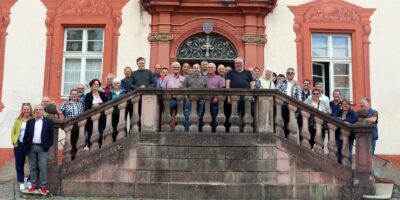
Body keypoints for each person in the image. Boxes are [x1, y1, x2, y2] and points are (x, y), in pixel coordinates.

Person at [23, 104, 54, 196]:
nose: (38, 111)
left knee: (42, 166)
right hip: (31, 147)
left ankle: (42, 186)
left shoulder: (48, 121)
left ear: (43, 111)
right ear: (34, 112)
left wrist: (47, 145)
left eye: (40, 109)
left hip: (42, 148)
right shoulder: (30, 122)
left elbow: (51, 136)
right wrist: (26, 145)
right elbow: (26, 135)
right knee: (33, 167)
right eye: (36, 110)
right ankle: (34, 185)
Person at [11, 103, 34, 191]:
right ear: (22, 110)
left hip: (30, 144)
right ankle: (21, 181)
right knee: (19, 164)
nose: (26, 110)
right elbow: (13, 132)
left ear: (30, 110)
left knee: (33, 163)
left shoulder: (34, 119)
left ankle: (29, 181)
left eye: (28, 109)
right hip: (19, 144)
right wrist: (14, 142)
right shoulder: (18, 120)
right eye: (24, 109)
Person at [59, 89, 84, 160]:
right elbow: (60, 112)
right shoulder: (65, 104)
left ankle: (77, 156)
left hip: (80, 125)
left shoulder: (80, 104)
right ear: (70, 95)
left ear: (77, 95)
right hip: (70, 126)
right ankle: (71, 157)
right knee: (70, 141)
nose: (74, 95)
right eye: (72, 94)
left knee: (78, 141)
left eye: (75, 94)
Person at [277, 68, 302, 137]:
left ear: (294, 74)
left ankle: (288, 137)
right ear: (286, 74)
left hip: (292, 105)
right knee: (283, 121)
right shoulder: (281, 82)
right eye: (288, 73)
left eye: (292, 73)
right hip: (283, 104)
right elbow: (277, 91)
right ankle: (284, 136)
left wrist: (299, 102)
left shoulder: (297, 84)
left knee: (290, 123)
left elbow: (299, 96)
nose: (290, 74)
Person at [183, 63, 208, 131]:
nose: (196, 69)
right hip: (189, 100)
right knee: (187, 117)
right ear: (192, 69)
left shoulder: (204, 79)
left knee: (198, 117)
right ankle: (187, 132)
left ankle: (194, 131)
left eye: (197, 68)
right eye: (195, 68)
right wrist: (186, 97)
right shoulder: (188, 78)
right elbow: (183, 88)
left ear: (200, 69)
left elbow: (207, 89)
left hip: (201, 100)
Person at [332, 99, 358, 164]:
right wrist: (343, 121)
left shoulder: (352, 112)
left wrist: (344, 120)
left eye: (346, 104)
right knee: (336, 150)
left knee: (348, 152)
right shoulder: (339, 112)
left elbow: (355, 120)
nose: (345, 105)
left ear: (349, 106)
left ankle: (349, 168)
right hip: (339, 135)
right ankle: (341, 165)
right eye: (343, 104)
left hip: (349, 136)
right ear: (341, 105)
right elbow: (334, 117)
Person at [84, 79, 108, 148]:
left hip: (101, 118)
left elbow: (106, 103)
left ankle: (98, 148)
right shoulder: (88, 95)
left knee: (100, 134)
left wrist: (98, 105)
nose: (96, 85)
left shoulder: (102, 94)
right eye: (94, 84)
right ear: (91, 86)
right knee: (91, 134)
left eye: (97, 84)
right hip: (91, 119)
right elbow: (86, 107)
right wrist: (92, 106)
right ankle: (90, 148)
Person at [206, 63, 225, 132]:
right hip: (205, 100)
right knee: (204, 117)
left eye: (212, 68)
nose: (210, 69)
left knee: (215, 117)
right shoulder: (203, 78)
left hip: (215, 101)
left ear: (215, 69)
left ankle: (215, 133)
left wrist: (217, 98)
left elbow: (222, 90)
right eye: (209, 67)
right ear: (207, 69)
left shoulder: (220, 78)